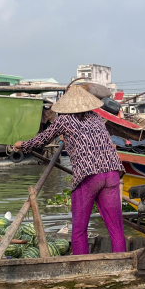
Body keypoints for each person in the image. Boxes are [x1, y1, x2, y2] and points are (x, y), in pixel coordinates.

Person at [15, 85, 125, 255]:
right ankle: (122, 262)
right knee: (116, 228)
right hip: (112, 172)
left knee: (79, 229)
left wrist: (22, 145)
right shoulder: (96, 118)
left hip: (89, 176)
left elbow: (42, 140)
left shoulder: (64, 120)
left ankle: (80, 265)